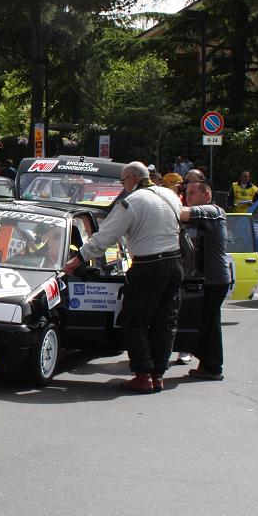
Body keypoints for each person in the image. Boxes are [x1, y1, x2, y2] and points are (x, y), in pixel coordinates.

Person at [62, 161, 183, 393]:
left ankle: (142, 375)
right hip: (174, 263)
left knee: (135, 320)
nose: (123, 186)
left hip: (148, 265)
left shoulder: (131, 202)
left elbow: (105, 237)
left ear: (132, 179)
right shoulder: (170, 195)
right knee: (165, 321)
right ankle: (158, 374)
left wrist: (77, 260)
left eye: (123, 181)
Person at [180, 180, 230, 381]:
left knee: (209, 323)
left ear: (207, 195)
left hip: (214, 279)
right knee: (205, 321)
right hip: (205, 279)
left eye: (192, 193)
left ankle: (213, 367)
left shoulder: (212, 211)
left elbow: (181, 213)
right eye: (186, 193)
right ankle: (207, 364)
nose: (188, 197)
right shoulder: (201, 215)